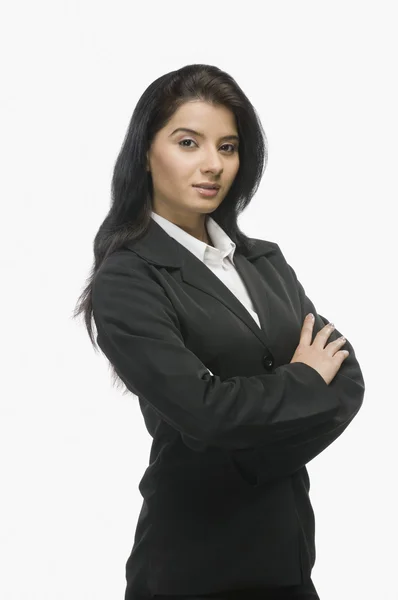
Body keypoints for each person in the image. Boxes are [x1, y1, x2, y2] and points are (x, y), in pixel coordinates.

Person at [73, 64, 365, 600]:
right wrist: (300, 382)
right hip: (193, 565)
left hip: (290, 559)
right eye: (189, 142)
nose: (213, 165)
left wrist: (240, 442)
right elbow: (204, 413)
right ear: (145, 151)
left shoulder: (264, 261)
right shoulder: (128, 279)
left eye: (228, 147)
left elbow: (346, 381)